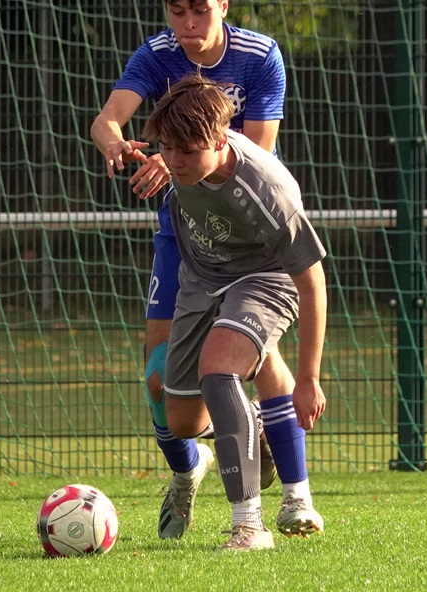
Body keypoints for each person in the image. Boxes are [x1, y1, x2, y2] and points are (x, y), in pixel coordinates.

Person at [90, 0, 320, 540]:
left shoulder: (259, 56)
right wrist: (116, 142)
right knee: (160, 380)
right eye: (177, 13)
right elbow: (108, 118)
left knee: (251, 359)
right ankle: (190, 466)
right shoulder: (157, 53)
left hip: (248, 231)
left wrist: (179, 160)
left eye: (200, 11)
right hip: (186, 233)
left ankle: (294, 497)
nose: (188, 25)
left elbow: (257, 148)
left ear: (224, 4)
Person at [140, 73, 327, 550]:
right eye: (167, 149)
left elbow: (312, 282)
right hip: (200, 278)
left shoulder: (268, 190)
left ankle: (249, 526)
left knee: (219, 371)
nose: (174, 161)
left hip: (265, 278)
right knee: (181, 420)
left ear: (221, 139)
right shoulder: (181, 162)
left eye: (186, 151)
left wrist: (309, 378)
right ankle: (251, 420)